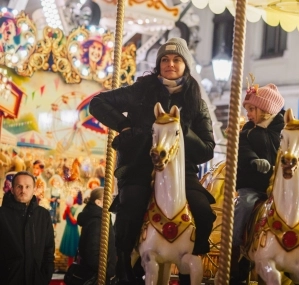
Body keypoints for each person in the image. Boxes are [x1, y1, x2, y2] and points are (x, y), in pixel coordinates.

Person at [89, 37, 216, 285]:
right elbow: (98, 102)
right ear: (158, 64)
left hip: (180, 171)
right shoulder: (141, 91)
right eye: (165, 60)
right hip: (139, 163)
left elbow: (207, 149)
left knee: (203, 209)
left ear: (185, 65)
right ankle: (125, 265)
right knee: (131, 205)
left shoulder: (195, 101)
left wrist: (181, 132)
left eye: (177, 59)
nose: (170, 64)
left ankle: (196, 254)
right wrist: (124, 126)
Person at [230, 83, 299, 284]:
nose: (248, 114)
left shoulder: (288, 129)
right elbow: (242, 151)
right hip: (255, 186)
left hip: (283, 187)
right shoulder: (248, 132)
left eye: (251, 109)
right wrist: (253, 160)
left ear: (266, 110)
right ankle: (235, 247)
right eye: (247, 110)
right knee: (244, 204)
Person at [0, 171, 55, 284]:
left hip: (36, 279)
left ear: (34, 190)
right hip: (8, 279)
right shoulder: (2, 215)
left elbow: (48, 248)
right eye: (19, 186)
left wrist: (46, 275)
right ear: (12, 189)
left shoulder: (43, 215)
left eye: (27, 186)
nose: (23, 190)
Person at [77, 187, 117, 284]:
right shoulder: (97, 221)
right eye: (107, 199)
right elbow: (92, 252)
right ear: (98, 202)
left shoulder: (99, 218)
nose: (111, 202)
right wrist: (108, 271)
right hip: (97, 275)